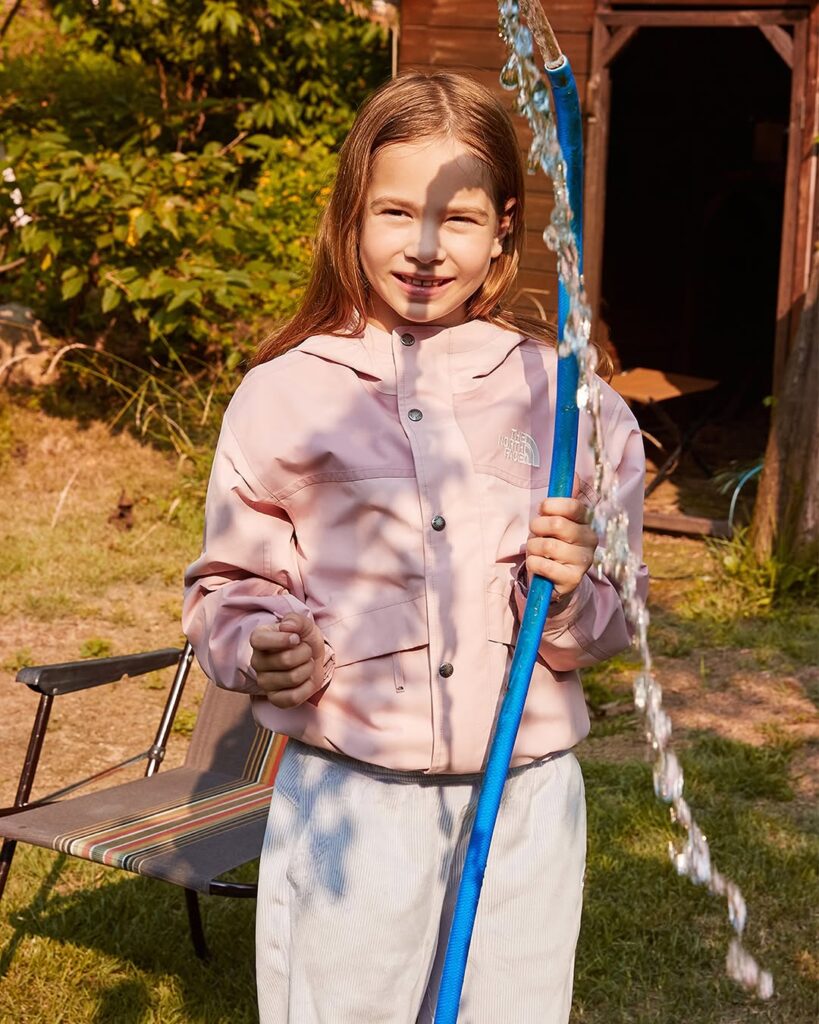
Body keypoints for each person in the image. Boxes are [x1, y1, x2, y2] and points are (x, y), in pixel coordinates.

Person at [183, 71, 647, 1024]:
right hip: (352, 803)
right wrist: (265, 642)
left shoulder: (572, 407)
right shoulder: (285, 395)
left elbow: (614, 615)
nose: (426, 247)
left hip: (524, 804)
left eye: (460, 219)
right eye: (395, 211)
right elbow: (227, 583)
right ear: (352, 214)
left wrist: (568, 596)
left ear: (504, 230)